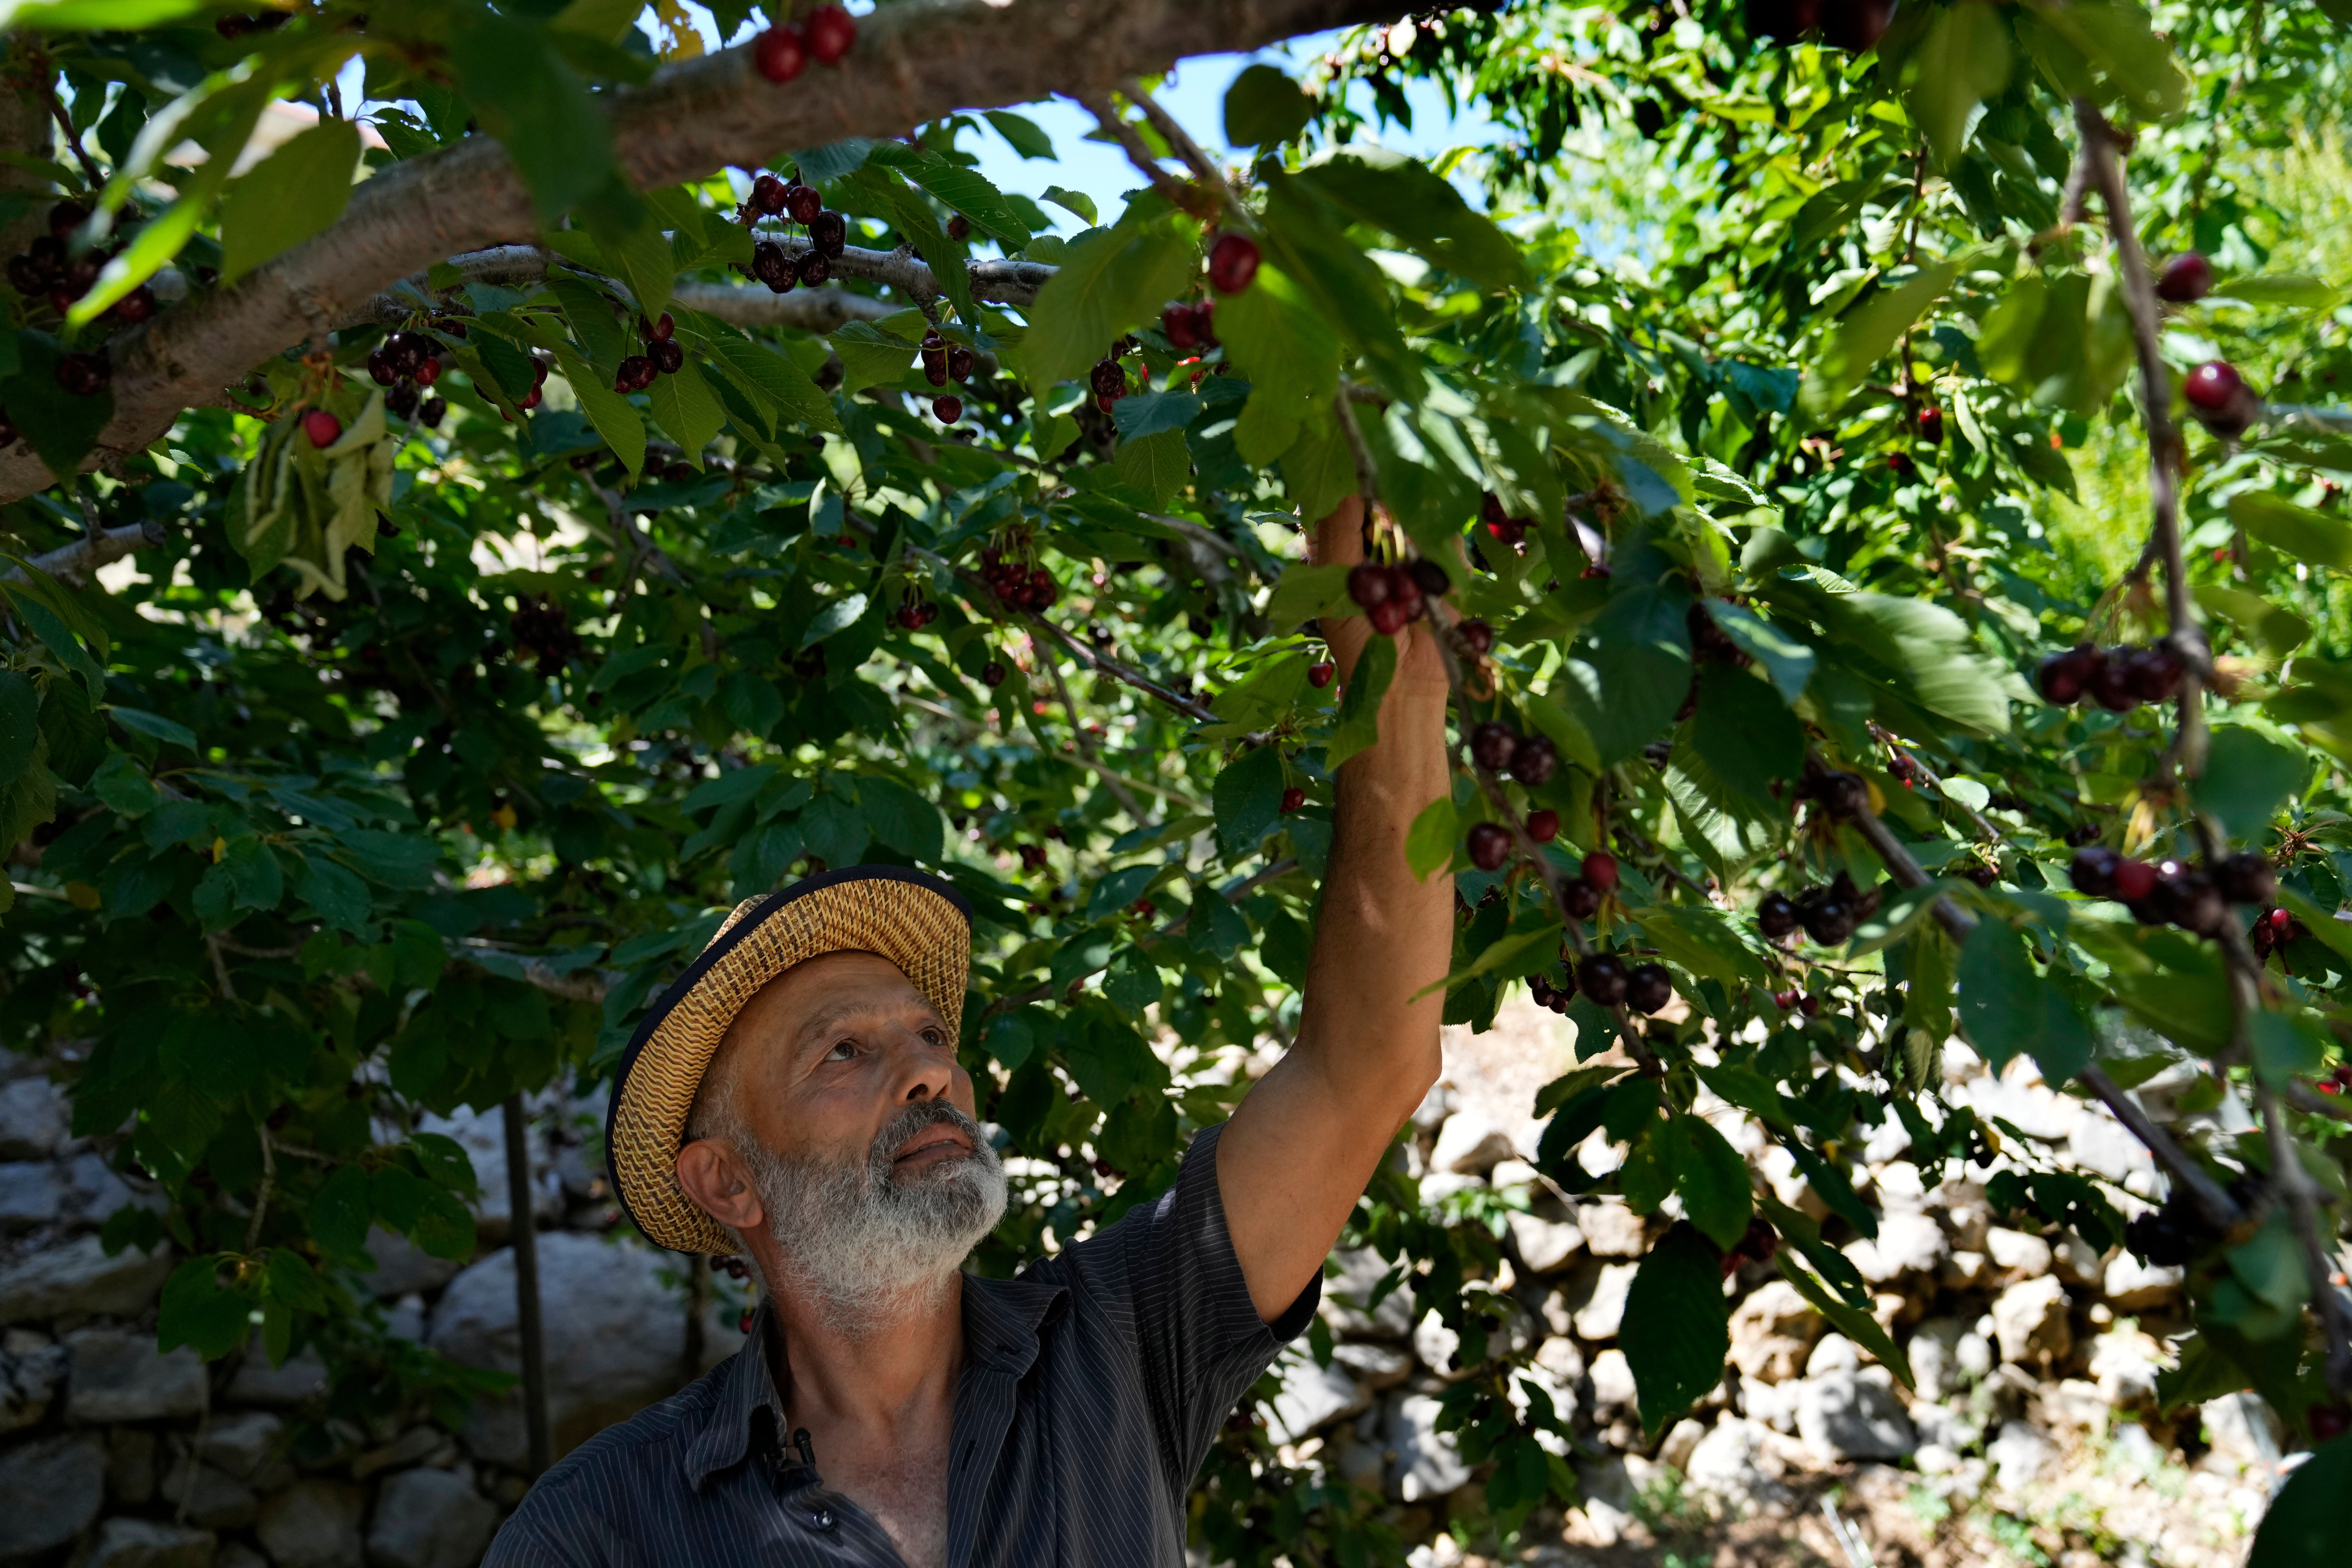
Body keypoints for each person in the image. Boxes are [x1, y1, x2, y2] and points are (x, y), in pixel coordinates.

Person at [484, 499, 1453, 1567]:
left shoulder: (1121, 1338)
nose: (927, 1075)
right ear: (727, 1181)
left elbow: (1368, 1063)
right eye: (843, 1051)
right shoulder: (599, 1531)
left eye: (931, 1035)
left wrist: (1398, 689)